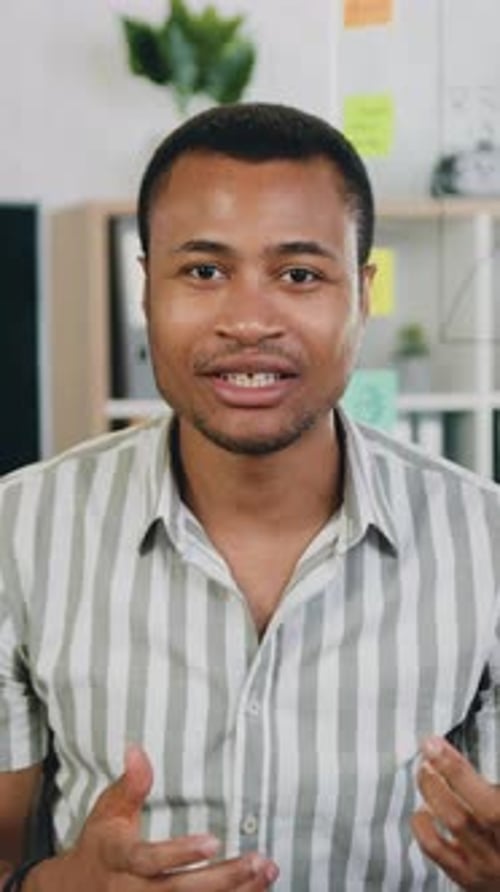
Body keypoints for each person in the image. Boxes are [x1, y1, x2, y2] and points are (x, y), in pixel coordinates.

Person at [0, 102, 499, 892]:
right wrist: (56, 887)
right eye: (203, 271)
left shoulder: (486, 542)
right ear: (145, 288)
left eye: (299, 274)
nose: (248, 320)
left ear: (362, 295)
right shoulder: (18, 533)